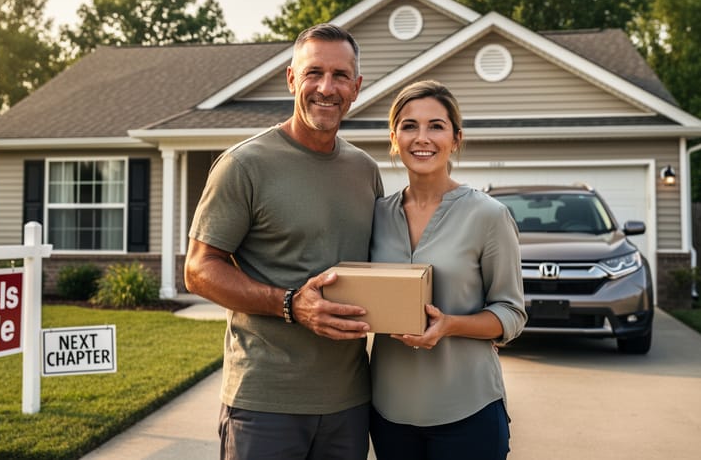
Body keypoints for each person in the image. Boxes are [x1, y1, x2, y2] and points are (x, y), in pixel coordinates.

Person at [183, 23, 384, 460]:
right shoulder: (244, 164)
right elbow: (198, 270)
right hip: (264, 402)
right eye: (313, 73)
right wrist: (290, 303)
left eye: (340, 76)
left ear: (357, 87)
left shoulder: (365, 170)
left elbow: (381, 266)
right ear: (291, 79)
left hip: (349, 401)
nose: (326, 88)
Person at [368, 80, 527, 460]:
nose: (422, 138)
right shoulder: (375, 215)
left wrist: (450, 325)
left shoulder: (489, 215)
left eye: (436, 126)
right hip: (389, 414)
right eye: (409, 126)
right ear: (394, 138)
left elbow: (512, 313)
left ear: (456, 139)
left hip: (468, 413)